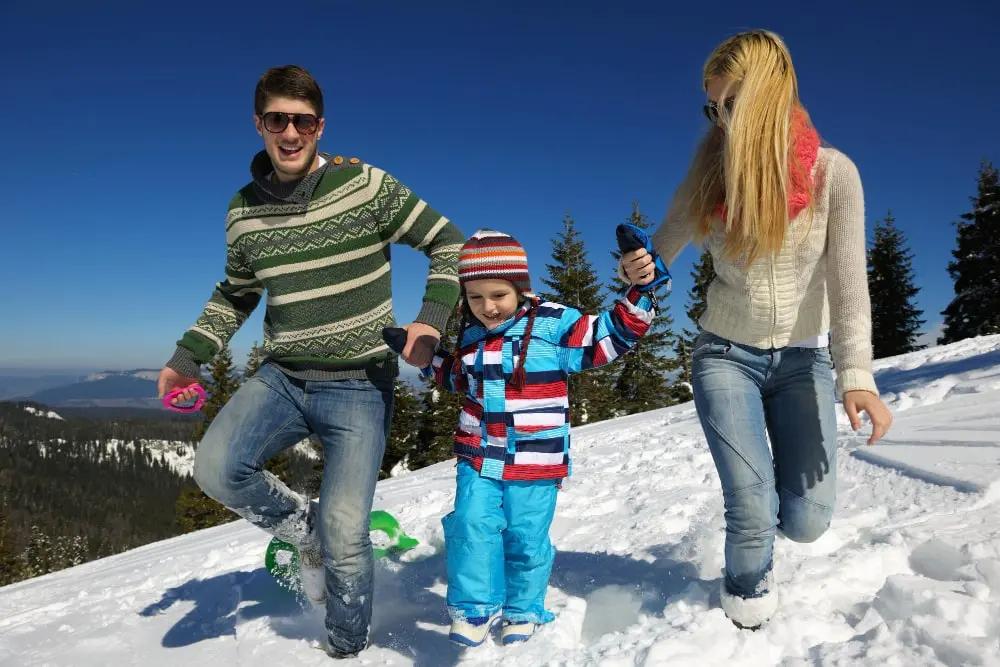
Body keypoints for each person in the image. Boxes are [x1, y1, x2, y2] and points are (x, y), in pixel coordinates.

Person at [155, 64, 465, 658]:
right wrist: (188, 357)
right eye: (277, 119)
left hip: (360, 384)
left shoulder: (365, 185)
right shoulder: (243, 210)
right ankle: (303, 533)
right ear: (259, 124)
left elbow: (447, 239)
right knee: (216, 470)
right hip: (282, 376)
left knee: (349, 531)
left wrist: (431, 318)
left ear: (320, 127)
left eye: (303, 121)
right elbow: (236, 292)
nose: (290, 132)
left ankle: (345, 648)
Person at [621, 29, 893, 631]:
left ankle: (764, 525)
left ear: (771, 93)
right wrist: (641, 263)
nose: (721, 119)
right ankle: (744, 610)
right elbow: (661, 248)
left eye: (732, 103)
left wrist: (857, 376)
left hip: (802, 361)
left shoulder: (833, 176)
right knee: (750, 505)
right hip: (724, 355)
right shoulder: (708, 176)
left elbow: (851, 286)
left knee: (806, 521)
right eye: (712, 107)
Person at [405, 229, 659, 647]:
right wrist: (428, 357)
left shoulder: (554, 324)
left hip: (536, 457)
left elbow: (607, 338)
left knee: (524, 537)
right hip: (479, 452)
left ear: (519, 288)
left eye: (498, 295)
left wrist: (642, 290)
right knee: (471, 523)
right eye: (474, 297)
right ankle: (473, 608)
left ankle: (523, 608)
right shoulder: (470, 333)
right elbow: (458, 377)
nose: (487, 307)